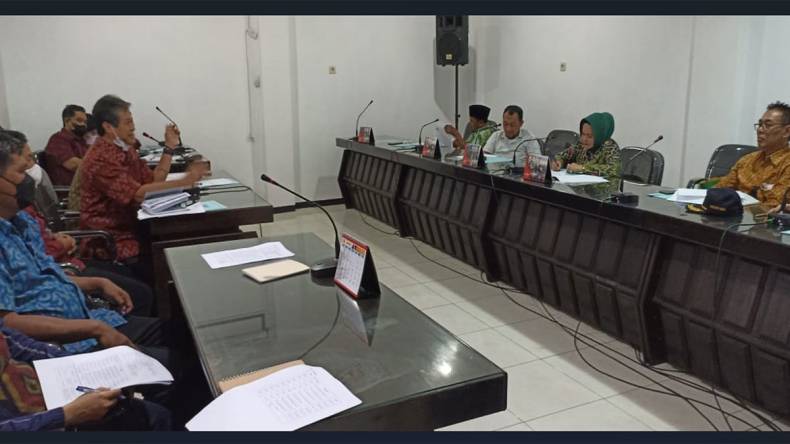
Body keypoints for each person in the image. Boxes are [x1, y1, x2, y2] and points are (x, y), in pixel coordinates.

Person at [0, 131, 171, 368]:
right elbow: (6, 325)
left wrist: (96, 283)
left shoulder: (21, 221)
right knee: (176, 362)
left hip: (89, 320)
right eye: (22, 170)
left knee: (181, 334)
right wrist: (93, 329)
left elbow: (44, 276)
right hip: (66, 346)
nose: (31, 178)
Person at [79, 95, 208, 263]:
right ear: (108, 127)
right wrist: (186, 181)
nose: (133, 127)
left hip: (137, 225)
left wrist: (169, 147)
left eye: (132, 121)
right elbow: (138, 194)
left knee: (190, 238)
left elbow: (154, 180)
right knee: (176, 245)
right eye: (128, 122)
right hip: (111, 239)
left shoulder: (125, 148)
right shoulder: (100, 158)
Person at [0, 320, 171, 431]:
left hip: (47, 392)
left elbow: (14, 342)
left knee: (148, 406)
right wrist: (66, 415)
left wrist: (78, 366)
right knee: (154, 417)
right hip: (41, 422)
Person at [717, 101, 790, 209]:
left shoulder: (787, 164)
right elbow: (720, 190)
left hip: (761, 219)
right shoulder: (747, 160)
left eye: (768, 125)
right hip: (732, 215)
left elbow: (772, 207)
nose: (760, 130)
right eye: (760, 125)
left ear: (787, 131)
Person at [550, 112, 621, 179]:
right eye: (583, 134)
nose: (584, 139)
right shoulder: (580, 145)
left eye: (589, 136)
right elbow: (563, 156)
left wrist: (582, 168)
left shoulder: (610, 147)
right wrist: (559, 162)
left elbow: (614, 170)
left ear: (599, 136)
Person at [44, 105, 90, 186]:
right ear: (67, 121)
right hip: (68, 189)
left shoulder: (81, 140)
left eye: (85, 122)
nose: (83, 124)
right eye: (79, 120)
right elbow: (73, 165)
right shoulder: (58, 140)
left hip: (85, 186)